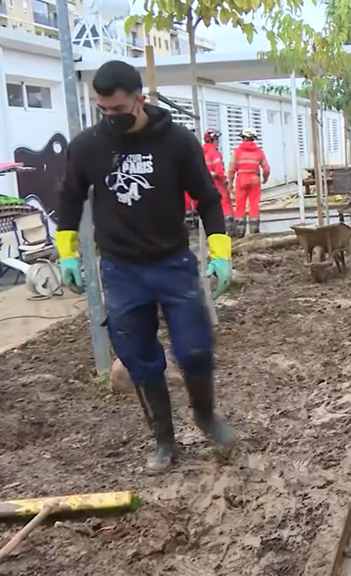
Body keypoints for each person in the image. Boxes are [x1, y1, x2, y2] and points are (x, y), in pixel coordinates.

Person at [56, 60, 236, 475]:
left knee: (195, 349)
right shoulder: (87, 147)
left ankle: (206, 417)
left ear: (140, 99)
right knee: (139, 357)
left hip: (173, 264)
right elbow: (69, 199)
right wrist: (67, 252)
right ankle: (165, 441)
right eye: (104, 111)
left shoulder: (177, 142)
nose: (111, 119)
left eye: (118, 110)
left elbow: (208, 198)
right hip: (121, 272)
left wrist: (220, 253)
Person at [228, 127, 270, 237]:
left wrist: (230, 183)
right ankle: (254, 230)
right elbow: (266, 168)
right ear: (253, 139)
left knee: (240, 205)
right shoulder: (259, 152)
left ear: (243, 138)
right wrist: (265, 178)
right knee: (254, 204)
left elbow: (231, 168)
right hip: (254, 180)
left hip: (241, 179)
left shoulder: (237, 152)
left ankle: (240, 231)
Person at [203, 128, 233, 235]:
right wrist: (225, 181)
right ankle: (228, 229)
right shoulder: (214, 153)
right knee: (225, 204)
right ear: (212, 139)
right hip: (217, 183)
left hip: (205, 184)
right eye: (217, 139)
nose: (218, 142)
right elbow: (219, 170)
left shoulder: (200, 152)